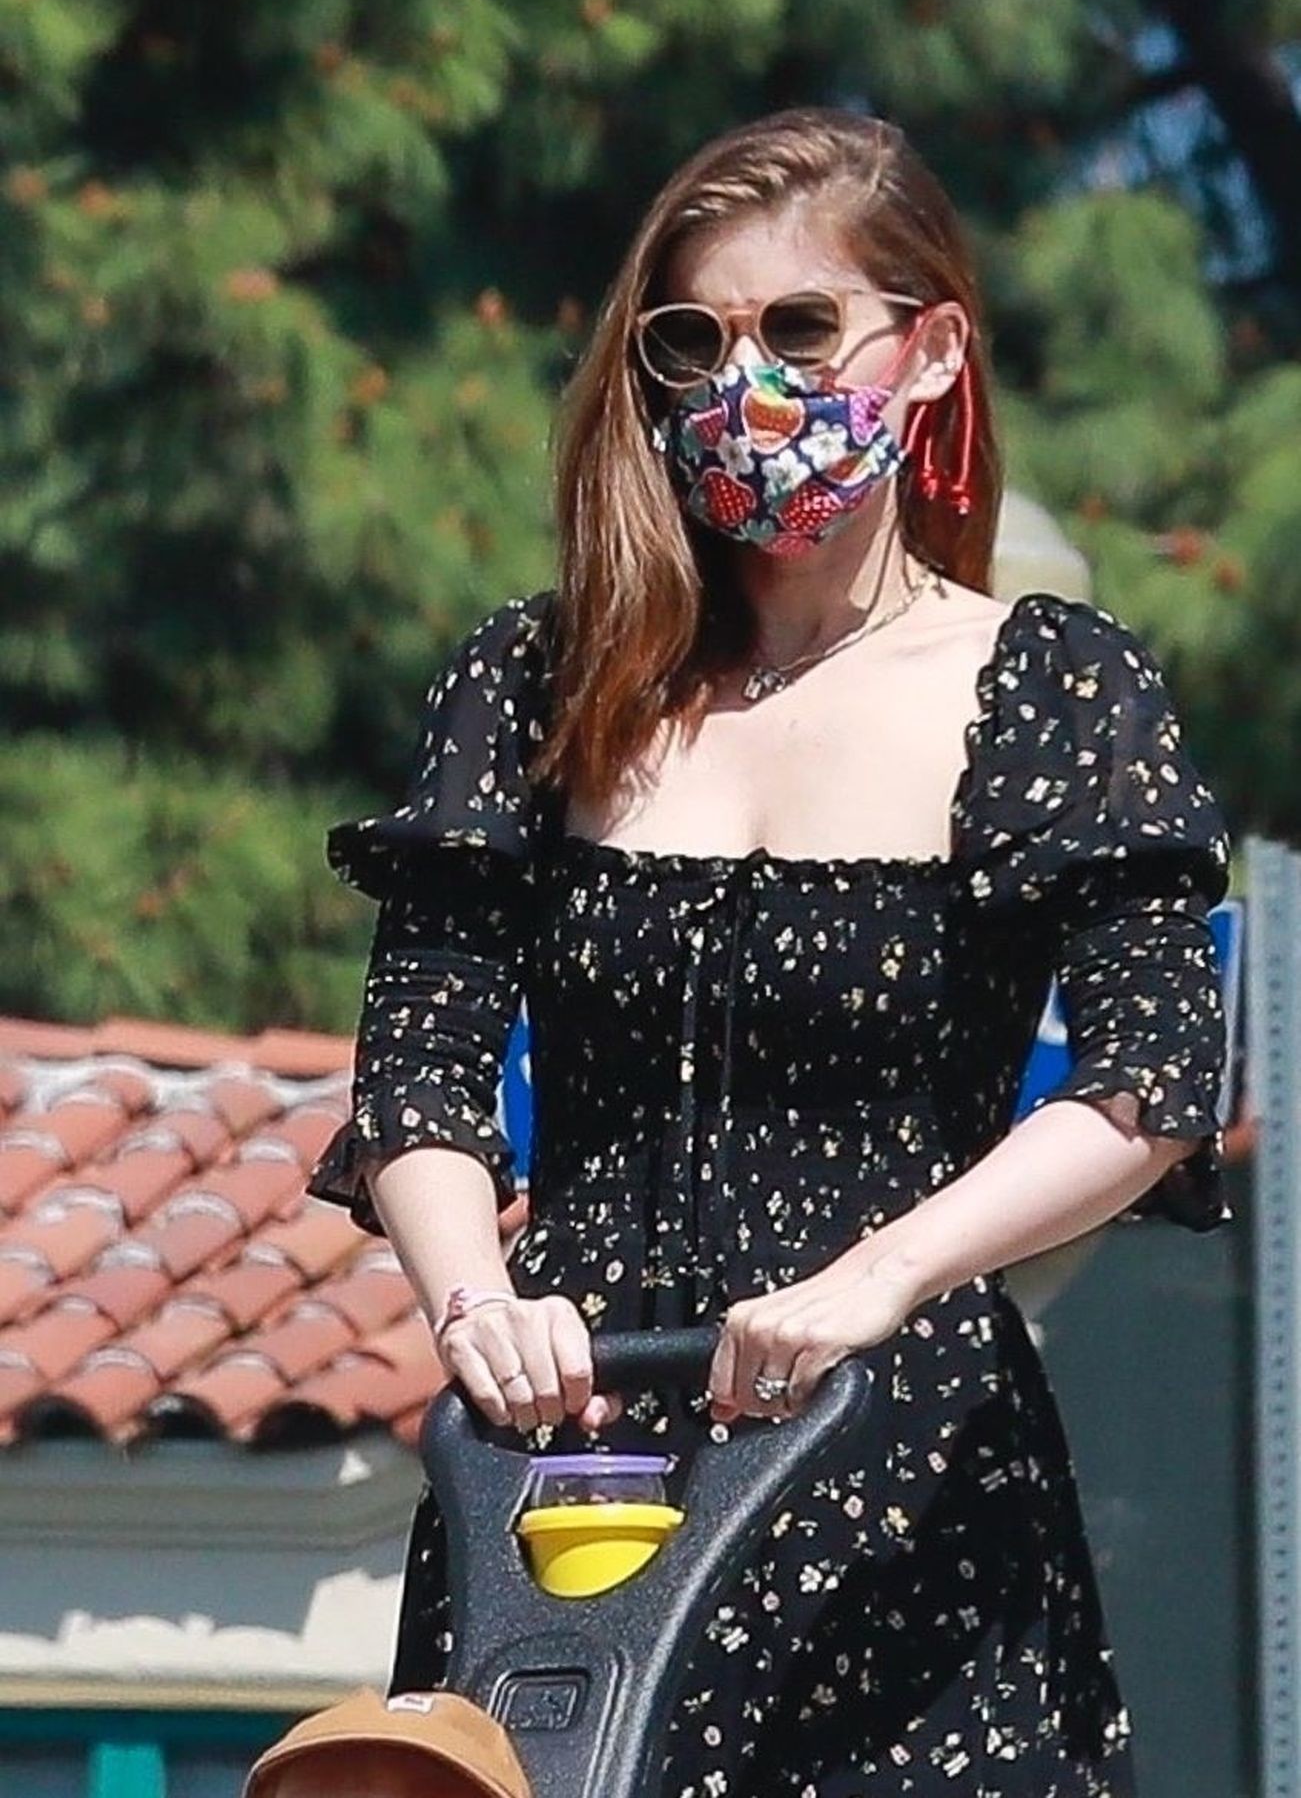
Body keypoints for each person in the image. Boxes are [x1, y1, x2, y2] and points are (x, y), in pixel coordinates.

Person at [308, 109, 1232, 1796]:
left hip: (898, 1457)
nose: (745, 386)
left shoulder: (1046, 683)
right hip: (568, 1464)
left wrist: (881, 1277)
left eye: (801, 329)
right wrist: (474, 1303)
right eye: (693, 342)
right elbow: (417, 1079)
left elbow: (1151, 1081)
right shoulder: (539, 679)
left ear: (929, 351)